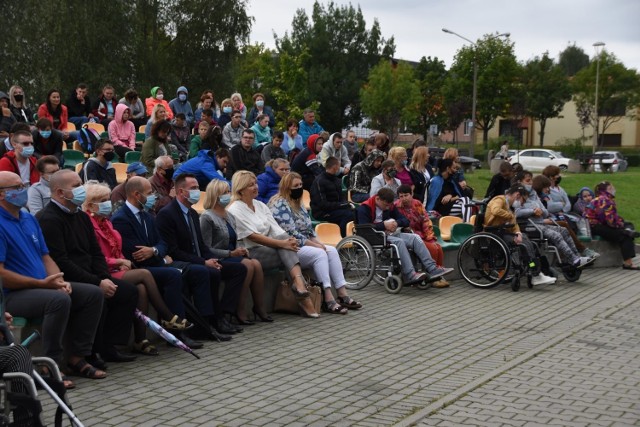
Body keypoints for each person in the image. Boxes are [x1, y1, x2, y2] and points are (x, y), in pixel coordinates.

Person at [0, 171, 105, 385]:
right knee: (58, 300)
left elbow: (45, 256)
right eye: (17, 188)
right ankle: (50, 364)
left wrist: (59, 280)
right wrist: (43, 284)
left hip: (43, 286)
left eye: (23, 185)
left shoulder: (28, 218)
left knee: (92, 293)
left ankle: (77, 357)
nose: (24, 191)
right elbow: (1, 275)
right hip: (13, 295)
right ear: (1, 194)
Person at [37, 169, 139, 363]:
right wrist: (97, 282)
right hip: (69, 276)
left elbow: (95, 252)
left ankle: (111, 345)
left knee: (127, 292)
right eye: (76, 187)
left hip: (91, 274)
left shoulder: (81, 216)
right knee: (96, 293)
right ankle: (89, 352)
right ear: (60, 192)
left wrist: (103, 278)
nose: (81, 190)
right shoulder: (48, 219)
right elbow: (61, 261)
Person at [82, 180, 192, 356]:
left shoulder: (110, 222)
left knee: (141, 288)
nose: (107, 203)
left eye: (107, 199)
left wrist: (155, 251)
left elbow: (161, 242)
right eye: (102, 200)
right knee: (147, 274)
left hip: (121, 267)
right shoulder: (96, 223)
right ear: (90, 204)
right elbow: (107, 255)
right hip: (107, 270)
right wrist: (119, 261)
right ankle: (168, 317)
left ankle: (141, 339)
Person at [111, 176, 219, 346]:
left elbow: (162, 243)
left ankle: (204, 323)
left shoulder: (147, 216)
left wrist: (154, 251)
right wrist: (157, 254)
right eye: (149, 193)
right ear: (136, 194)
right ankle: (176, 327)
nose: (153, 196)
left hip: (155, 262)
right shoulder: (121, 218)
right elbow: (135, 253)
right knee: (173, 275)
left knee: (191, 272)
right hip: (140, 268)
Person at [155, 173, 247, 335]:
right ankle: (207, 323)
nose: (198, 191)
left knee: (238, 269)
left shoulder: (192, 213)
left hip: (198, 259)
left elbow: (202, 245)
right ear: (181, 192)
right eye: (194, 188)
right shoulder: (167, 214)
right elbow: (174, 251)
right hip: (182, 262)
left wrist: (211, 259)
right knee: (207, 272)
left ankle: (223, 314)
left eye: (198, 187)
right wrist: (203, 262)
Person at [227, 170, 319, 318]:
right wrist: (283, 243)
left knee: (286, 244)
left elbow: (276, 229)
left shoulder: (261, 205)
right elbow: (253, 237)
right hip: (251, 251)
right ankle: (301, 290)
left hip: (271, 248)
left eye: (255, 183)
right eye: (250, 185)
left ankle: (299, 286)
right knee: (285, 249)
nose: (256, 187)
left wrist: (288, 240)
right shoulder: (235, 208)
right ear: (240, 189)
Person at [271, 172, 362, 313]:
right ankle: (328, 297)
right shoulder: (280, 204)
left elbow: (309, 231)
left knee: (331, 250)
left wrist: (320, 244)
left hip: (305, 244)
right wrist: (316, 246)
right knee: (319, 253)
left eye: (301, 185)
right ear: (287, 188)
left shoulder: (299, 204)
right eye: (296, 186)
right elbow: (291, 233)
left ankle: (342, 293)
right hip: (290, 248)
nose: (299, 188)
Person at [200, 180, 272, 324]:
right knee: (248, 265)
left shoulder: (229, 216)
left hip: (232, 255)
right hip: (218, 258)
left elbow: (235, 240)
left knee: (256, 263)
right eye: (225, 192)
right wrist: (230, 254)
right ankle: (238, 310)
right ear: (216, 195)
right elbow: (206, 248)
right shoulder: (207, 217)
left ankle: (259, 307)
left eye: (229, 191)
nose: (229, 195)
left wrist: (241, 249)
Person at [357, 188, 453, 284]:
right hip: (374, 236)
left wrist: (396, 223)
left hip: (389, 234)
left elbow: (405, 220)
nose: (387, 208)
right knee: (399, 242)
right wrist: (384, 225)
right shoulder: (364, 207)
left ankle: (432, 269)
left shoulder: (389, 206)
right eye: (386, 205)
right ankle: (410, 274)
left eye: (389, 205)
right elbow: (365, 228)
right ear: (378, 199)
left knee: (415, 237)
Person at [514, 171, 591, 269]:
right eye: (527, 181)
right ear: (519, 182)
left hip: (540, 223)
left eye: (531, 180)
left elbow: (545, 211)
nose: (530, 183)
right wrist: (533, 211)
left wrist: (541, 211)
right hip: (528, 225)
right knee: (556, 235)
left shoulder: (534, 195)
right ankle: (574, 260)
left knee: (563, 230)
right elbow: (517, 212)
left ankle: (577, 257)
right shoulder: (516, 195)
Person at [483, 183, 557, 286]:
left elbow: (514, 223)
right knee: (524, 246)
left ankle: (536, 270)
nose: (522, 204)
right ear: (517, 195)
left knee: (530, 243)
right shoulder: (499, 200)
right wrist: (509, 216)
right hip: (494, 233)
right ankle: (535, 273)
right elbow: (495, 211)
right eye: (523, 201)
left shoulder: (509, 206)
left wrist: (518, 233)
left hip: (502, 232)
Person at [394, 185, 449, 288]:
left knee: (438, 248)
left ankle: (439, 275)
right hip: (410, 236)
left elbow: (426, 221)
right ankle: (433, 277)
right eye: (401, 196)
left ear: (412, 194)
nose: (404, 198)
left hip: (422, 234)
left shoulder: (417, 204)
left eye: (406, 195)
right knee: (432, 248)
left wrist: (430, 237)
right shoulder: (396, 207)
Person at [584, 181, 639, 270]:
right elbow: (609, 221)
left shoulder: (600, 198)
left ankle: (628, 230)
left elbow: (611, 217)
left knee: (628, 224)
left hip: (595, 225)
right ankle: (628, 264)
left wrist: (620, 222)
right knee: (625, 236)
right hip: (596, 226)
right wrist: (619, 225)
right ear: (606, 190)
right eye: (611, 188)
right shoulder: (605, 200)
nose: (614, 189)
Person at [310, 157, 354, 237]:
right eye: (339, 166)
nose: (340, 168)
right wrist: (341, 205)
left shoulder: (336, 180)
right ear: (335, 167)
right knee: (348, 215)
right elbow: (322, 204)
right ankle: (343, 239)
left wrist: (345, 205)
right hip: (322, 212)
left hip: (334, 210)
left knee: (355, 211)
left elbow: (341, 199)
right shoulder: (319, 181)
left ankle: (354, 238)